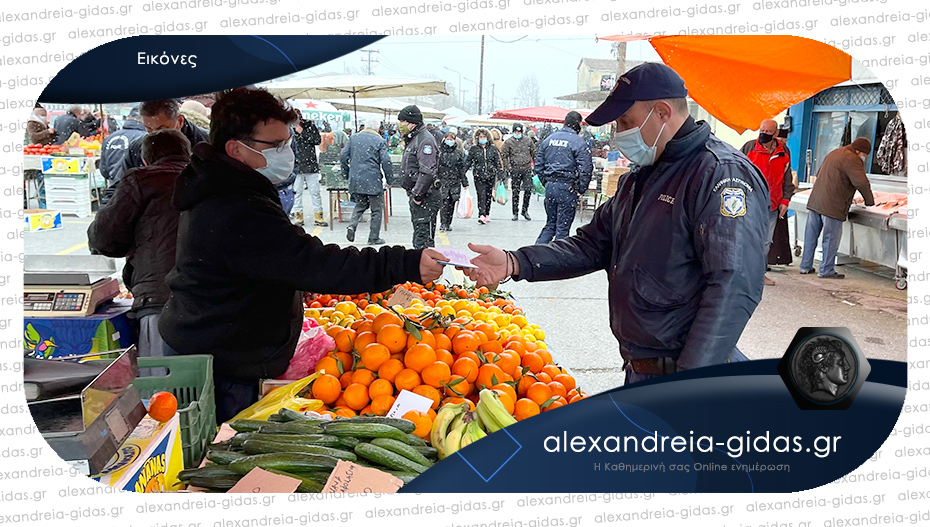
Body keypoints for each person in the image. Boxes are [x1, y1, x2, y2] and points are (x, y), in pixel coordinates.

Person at [464, 63, 769, 384]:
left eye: (626, 121)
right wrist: (515, 262)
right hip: (641, 368)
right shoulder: (641, 177)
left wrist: (690, 381)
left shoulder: (721, 174)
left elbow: (733, 285)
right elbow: (592, 244)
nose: (619, 132)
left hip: (687, 375)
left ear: (662, 112)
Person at [158, 88, 448, 423]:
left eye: (288, 142)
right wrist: (407, 263)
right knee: (225, 450)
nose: (288, 152)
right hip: (220, 363)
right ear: (236, 149)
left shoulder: (226, 186)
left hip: (218, 344)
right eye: (277, 145)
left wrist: (287, 283)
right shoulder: (235, 205)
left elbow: (267, 262)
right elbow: (319, 264)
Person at [87, 129, 191, 362]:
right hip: (211, 299)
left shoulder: (141, 181)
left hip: (159, 299)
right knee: (203, 383)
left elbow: (104, 238)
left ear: (145, 159)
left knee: (161, 386)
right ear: (188, 153)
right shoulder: (209, 179)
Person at [800, 138, 875, 279]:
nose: (865, 158)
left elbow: (820, 173)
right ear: (860, 151)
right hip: (832, 205)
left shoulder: (835, 152)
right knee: (831, 238)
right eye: (865, 154)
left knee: (810, 236)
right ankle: (826, 270)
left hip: (816, 201)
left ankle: (805, 266)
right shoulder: (852, 158)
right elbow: (861, 182)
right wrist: (869, 201)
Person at [741, 119, 794, 286]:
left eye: (767, 131)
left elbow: (787, 179)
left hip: (773, 204)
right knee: (747, 239)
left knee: (765, 241)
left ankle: (759, 274)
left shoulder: (783, 151)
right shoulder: (749, 148)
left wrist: (785, 200)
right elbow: (736, 171)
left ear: (775, 133)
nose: (763, 133)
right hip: (750, 203)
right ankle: (742, 274)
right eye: (761, 129)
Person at [533, 111, 593, 244]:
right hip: (567, 187)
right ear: (578, 124)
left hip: (550, 187)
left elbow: (538, 166)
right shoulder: (579, 142)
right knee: (562, 228)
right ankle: (558, 259)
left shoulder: (549, 140)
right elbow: (586, 169)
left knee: (550, 225)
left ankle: (536, 254)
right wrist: (581, 188)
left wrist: (547, 182)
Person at [341, 118, 394, 245]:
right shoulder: (379, 140)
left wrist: (346, 173)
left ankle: (352, 226)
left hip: (356, 179)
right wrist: (390, 179)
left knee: (360, 204)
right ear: (377, 129)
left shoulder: (353, 138)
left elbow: (343, 156)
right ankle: (373, 237)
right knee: (376, 209)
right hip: (372, 179)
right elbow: (386, 161)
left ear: (364, 126)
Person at [397, 105, 442, 249]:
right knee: (419, 237)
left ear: (412, 123)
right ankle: (419, 268)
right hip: (420, 196)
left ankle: (424, 270)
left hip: (426, 197)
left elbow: (427, 171)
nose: (400, 125)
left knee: (423, 242)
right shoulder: (414, 138)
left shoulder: (424, 140)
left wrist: (417, 194)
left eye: (402, 121)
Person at [99, 107, 146, 191]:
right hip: (136, 190)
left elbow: (104, 170)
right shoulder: (144, 138)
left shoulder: (110, 138)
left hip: (114, 189)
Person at [292, 116, 328, 227]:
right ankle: (298, 216)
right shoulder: (287, 128)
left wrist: (303, 132)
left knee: (315, 192)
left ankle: (319, 216)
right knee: (296, 192)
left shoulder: (309, 126)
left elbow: (317, 140)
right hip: (296, 165)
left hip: (310, 164)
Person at [464, 128, 502, 225]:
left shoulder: (492, 149)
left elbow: (497, 161)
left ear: (488, 138)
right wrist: (462, 173)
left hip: (490, 175)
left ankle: (487, 213)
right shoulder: (474, 149)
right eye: (480, 137)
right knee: (481, 195)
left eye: (484, 137)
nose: (482, 139)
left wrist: (500, 172)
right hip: (479, 175)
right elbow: (468, 162)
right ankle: (481, 214)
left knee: (488, 195)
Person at [501, 123, 537, 222]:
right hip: (515, 169)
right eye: (516, 132)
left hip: (527, 168)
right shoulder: (509, 142)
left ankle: (525, 210)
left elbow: (534, 153)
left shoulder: (528, 140)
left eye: (519, 132)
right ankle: (515, 212)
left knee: (528, 189)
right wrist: (508, 167)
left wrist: (536, 165)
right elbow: (504, 154)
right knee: (515, 191)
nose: (518, 133)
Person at [438, 131, 468, 232]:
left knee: (452, 203)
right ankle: (443, 222)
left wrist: (465, 182)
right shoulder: (440, 151)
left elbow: (461, 168)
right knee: (444, 202)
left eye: (451, 139)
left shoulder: (458, 152)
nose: (449, 141)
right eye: (448, 139)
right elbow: (436, 167)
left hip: (455, 181)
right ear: (444, 140)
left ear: (455, 140)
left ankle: (448, 222)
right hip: (443, 180)